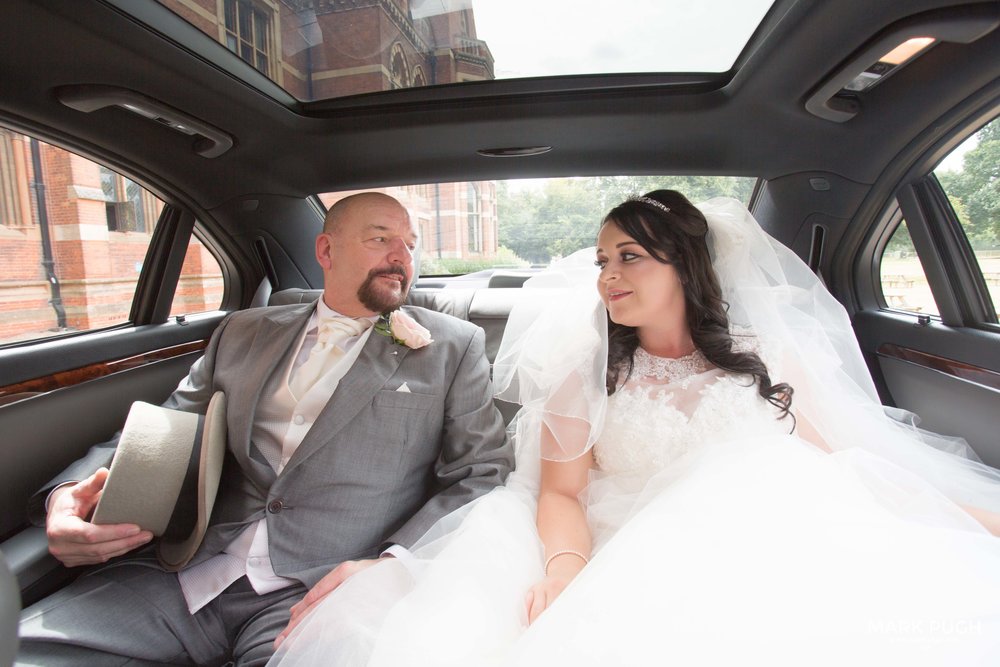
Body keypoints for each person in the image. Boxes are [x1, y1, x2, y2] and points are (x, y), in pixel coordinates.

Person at [268, 190, 1000, 666]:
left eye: (629, 258)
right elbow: (558, 494)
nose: (607, 276)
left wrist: (969, 519)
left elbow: (837, 465)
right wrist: (565, 569)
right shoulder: (585, 375)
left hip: (780, 544)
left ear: (683, 266)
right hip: (630, 549)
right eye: (600, 261)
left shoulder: (764, 361)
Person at [17, 192, 514, 666]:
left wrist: (391, 566)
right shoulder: (242, 331)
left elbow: (481, 472)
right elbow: (166, 428)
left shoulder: (452, 347)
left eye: (410, 243)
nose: (401, 255)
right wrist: (66, 496)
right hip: (185, 571)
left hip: (325, 592)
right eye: (380, 238)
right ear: (326, 249)